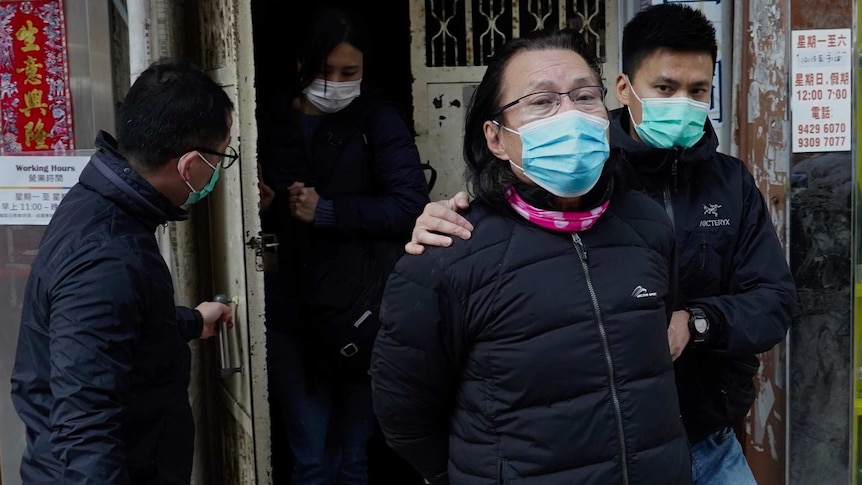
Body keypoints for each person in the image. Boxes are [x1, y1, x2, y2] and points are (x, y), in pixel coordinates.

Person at [404, 4, 797, 485]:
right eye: (666, 88)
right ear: (624, 89)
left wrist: (696, 323)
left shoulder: (729, 182)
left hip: (707, 433)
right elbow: (411, 393)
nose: (684, 103)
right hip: (588, 449)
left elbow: (774, 301)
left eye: (698, 91)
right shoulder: (581, 171)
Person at [370, 27, 692, 485]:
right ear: (496, 139)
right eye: (542, 101)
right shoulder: (445, 255)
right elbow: (403, 410)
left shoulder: (648, 225)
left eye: (584, 97)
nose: (571, 115)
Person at [10, 59, 236, 484]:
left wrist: (190, 321)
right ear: (189, 165)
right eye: (223, 155)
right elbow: (86, 425)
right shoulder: (109, 256)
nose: (220, 171)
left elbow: (112, 329)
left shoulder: (99, 201)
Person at [257, 2, 430, 484]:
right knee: (309, 455)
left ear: (364, 69)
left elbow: (410, 205)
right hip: (290, 308)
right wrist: (265, 203)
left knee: (355, 456)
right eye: (323, 70)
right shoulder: (268, 122)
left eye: (347, 71)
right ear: (299, 65)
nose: (335, 81)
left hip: (361, 306)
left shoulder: (379, 120)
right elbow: (256, 213)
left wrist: (328, 210)